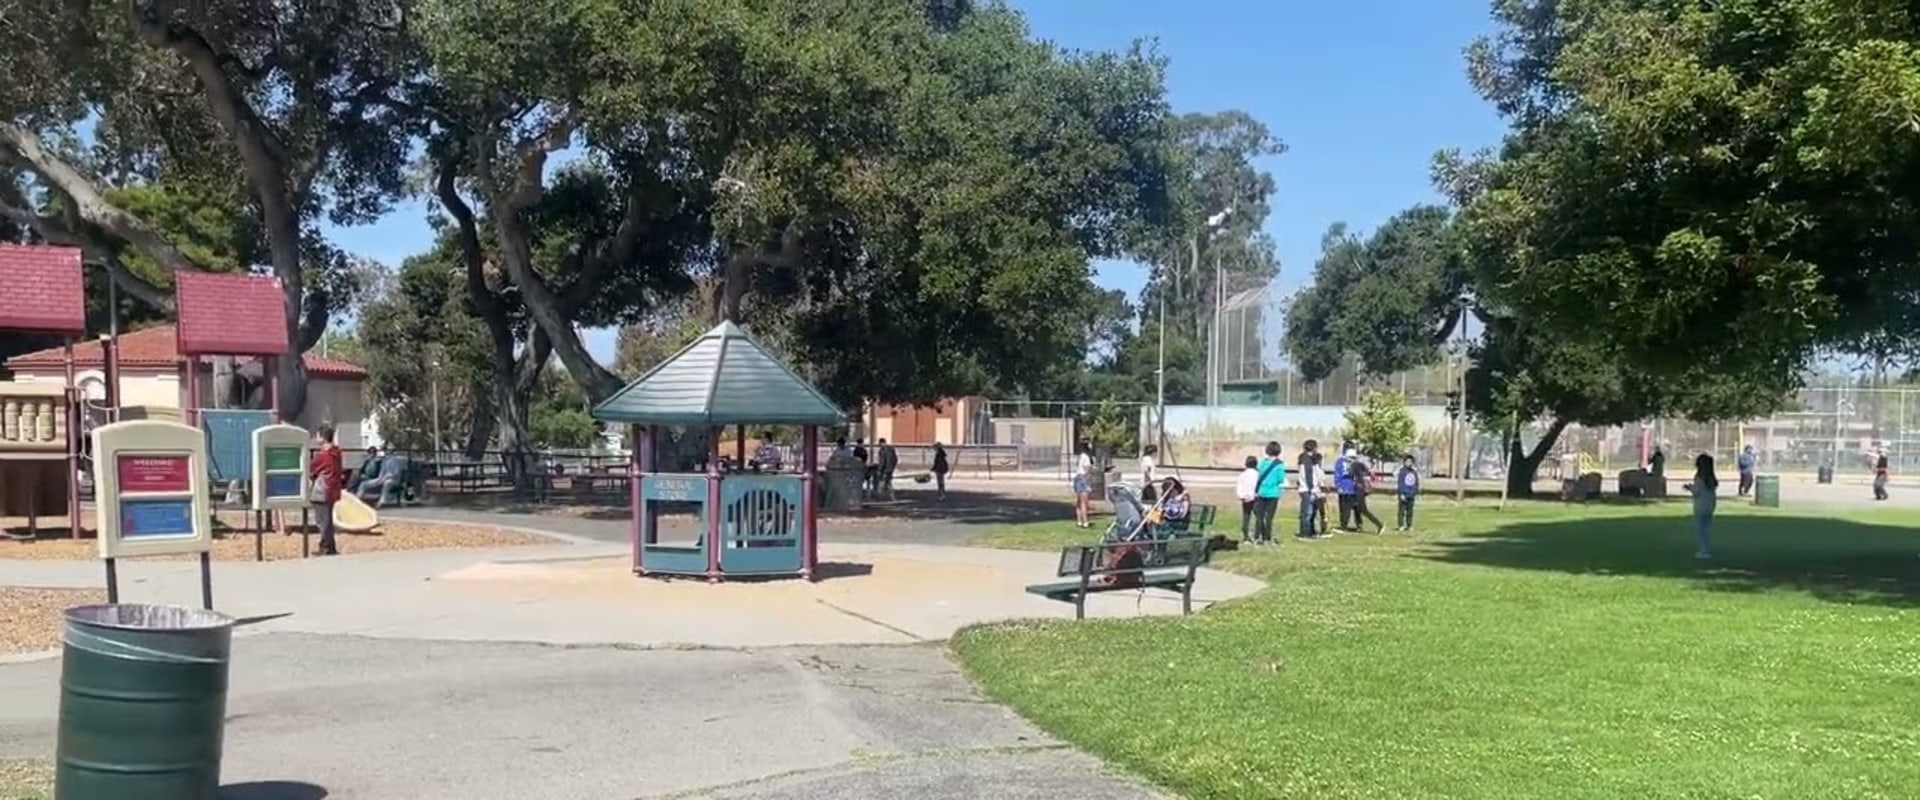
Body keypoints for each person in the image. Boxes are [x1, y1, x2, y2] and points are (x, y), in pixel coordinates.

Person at [307, 425, 344, 556]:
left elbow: (310, 469)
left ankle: (326, 548)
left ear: (322, 437)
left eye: (317, 435)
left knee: (322, 521)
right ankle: (330, 546)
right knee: (328, 520)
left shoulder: (322, 455)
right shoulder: (337, 453)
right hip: (333, 490)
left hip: (321, 490)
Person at [1684, 453, 1719, 559]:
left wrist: (1689, 488)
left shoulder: (1700, 477)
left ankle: (1703, 551)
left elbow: (1696, 491)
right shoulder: (1711, 478)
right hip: (1710, 505)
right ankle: (1705, 549)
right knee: (1706, 528)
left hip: (1700, 506)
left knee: (1700, 530)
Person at [1252, 441, 1287, 544]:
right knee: (1269, 517)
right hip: (1273, 493)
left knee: (1259, 517)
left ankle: (1257, 536)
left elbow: (1258, 476)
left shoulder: (1262, 463)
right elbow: (1281, 479)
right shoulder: (1280, 465)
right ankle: (1267, 537)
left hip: (1261, 492)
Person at [1347, 452, 1384, 534]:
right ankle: (1358, 525)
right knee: (1356, 507)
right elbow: (1368, 472)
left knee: (1364, 510)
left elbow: (1350, 475)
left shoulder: (1353, 465)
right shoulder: (1361, 464)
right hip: (1362, 487)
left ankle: (1379, 524)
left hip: (1358, 488)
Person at [1296, 439, 1324, 540]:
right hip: (1308, 489)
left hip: (1307, 489)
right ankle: (1305, 533)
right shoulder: (1307, 460)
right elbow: (1309, 476)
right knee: (1307, 513)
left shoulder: (1305, 459)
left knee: (1310, 512)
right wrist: (1313, 488)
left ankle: (1310, 531)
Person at [1332, 441, 1358, 531]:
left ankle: (1347, 525)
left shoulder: (1351, 461)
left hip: (1350, 487)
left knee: (1348, 507)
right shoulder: (1342, 461)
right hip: (1346, 487)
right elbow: (1337, 473)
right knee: (1345, 507)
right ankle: (1344, 525)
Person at [1235, 455, 1260, 541]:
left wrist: (1241, 496)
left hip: (1246, 498)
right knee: (1258, 516)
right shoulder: (1258, 474)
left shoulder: (1242, 475)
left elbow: (1239, 486)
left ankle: (1245, 535)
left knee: (1246, 516)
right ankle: (1258, 533)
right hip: (1255, 497)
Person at [1070, 441, 1094, 528]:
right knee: (1084, 502)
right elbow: (1086, 469)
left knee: (1079, 502)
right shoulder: (1086, 457)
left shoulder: (1081, 456)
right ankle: (1085, 522)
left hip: (1077, 477)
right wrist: (1088, 482)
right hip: (1083, 479)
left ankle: (1079, 521)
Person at [1395, 454, 1420, 531]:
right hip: (1404, 494)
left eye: (1411, 461)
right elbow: (1400, 483)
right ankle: (1401, 525)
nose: (1409, 463)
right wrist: (1401, 493)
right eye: (1408, 461)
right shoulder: (1402, 471)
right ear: (1404, 462)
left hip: (1411, 494)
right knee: (1401, 511)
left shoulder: (1414, 472)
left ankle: (1409, 525)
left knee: (1410, 511)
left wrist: (1415, 492)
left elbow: (1416, 483)